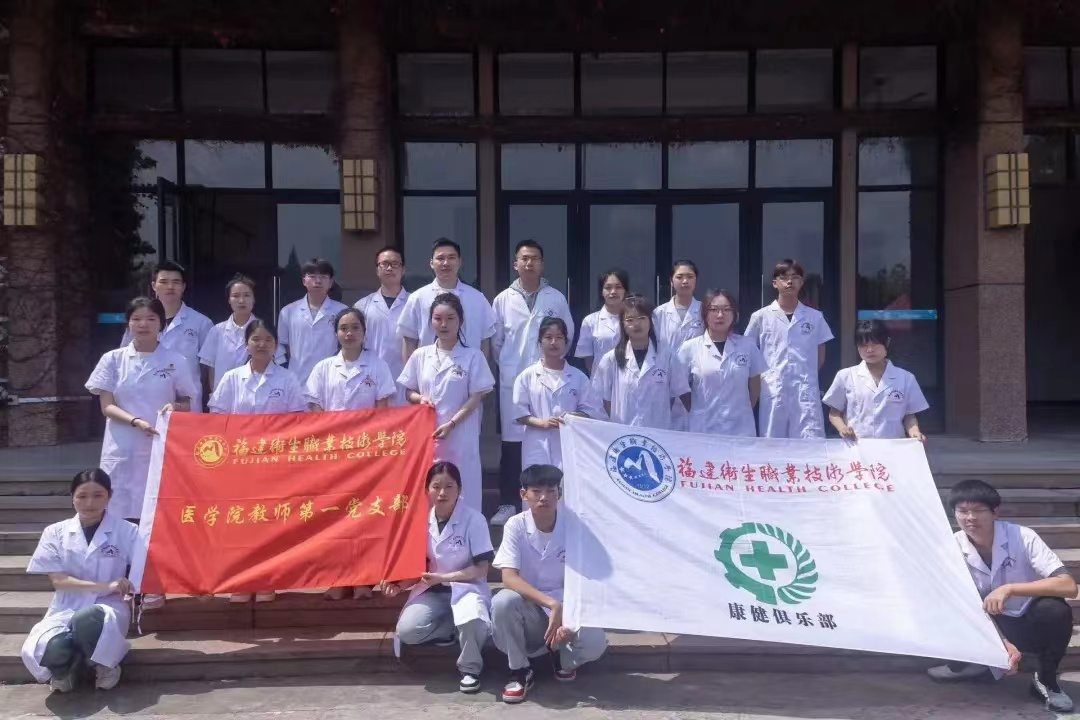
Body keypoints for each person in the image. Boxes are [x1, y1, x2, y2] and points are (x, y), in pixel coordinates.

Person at [928, 479, 1077, 714]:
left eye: (979, 510)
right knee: (941, 607)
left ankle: (1046, 680)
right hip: (981, 622)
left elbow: (1067, 585)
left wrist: (1010, 589)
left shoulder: (1022, 536)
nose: (970, 518)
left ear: (995, 512)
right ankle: (971, 664)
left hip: (1024, 619)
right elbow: (959, 603)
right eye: (962, 511)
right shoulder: (951, 548)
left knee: (1055, 610)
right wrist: (1002, 642)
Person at [208, 319, 308, 604]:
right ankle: (240, 580)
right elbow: (217, 418)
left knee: (269, 523)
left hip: (274, 463)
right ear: (246, 344)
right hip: (238, 463)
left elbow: (298, 420)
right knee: (239, 522)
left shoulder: (287, 379)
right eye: (256, 339)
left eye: (268, 339)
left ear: (276, 345)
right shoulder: (231, 378)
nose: (262, 344)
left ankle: (267, 579)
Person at [491, 464, 607, 704]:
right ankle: (520, 671)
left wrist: (570, 618)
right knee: (503, 601)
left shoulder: (574, 525)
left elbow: (589, 576)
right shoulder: (515, 525)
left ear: (559, 494)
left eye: (551, 490)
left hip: (569, 605)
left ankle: (562, 657)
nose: (543, 497)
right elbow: (509, 577)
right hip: (530, 608)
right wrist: (552, 604)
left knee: (595, 644)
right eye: (536, 491)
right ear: (524, 494)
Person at [22, 469, 141, 692]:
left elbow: (144, 568)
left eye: (98, 495)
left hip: (109, 604)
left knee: (89, 619)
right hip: (66, 605)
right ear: (72, 497)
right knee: (51, 645)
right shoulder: (54, 532)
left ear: (109, 496)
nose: (89, 503)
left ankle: (104, 665)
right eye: (82, 496)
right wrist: (106, 586)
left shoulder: (128, 531)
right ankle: (64, 671)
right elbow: (59, 580)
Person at [386, 462, 494, 694]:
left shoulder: (474, 520)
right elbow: (419, 566)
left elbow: (481, 569)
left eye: (449, 486)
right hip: (431, 591)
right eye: (436, 486)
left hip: (467, 587)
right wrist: (399, 585)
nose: (442, 492)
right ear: (427, 490)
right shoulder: (420, 521)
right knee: (408, 630)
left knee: (472, 618)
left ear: (459, 489)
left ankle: (470, 669)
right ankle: (451, 630)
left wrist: (444, 577)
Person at [87, 297, 196, 522]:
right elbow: (107, 406)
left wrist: (175, 406)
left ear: (161, 323)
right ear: (128, 323)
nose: (143, 324)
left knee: (156, 509)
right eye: (136, 319)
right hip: (122, 444)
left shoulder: (176, 361)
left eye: (151, 319)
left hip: (159, 443)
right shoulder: (113, 360)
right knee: (118, 508)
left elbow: (187, 402)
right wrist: (136, 421)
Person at [490, 239, 575, 527]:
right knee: (512, 444)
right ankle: (508, 503)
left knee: (547, 443)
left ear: (542, 264)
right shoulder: (503, 299)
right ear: (515, 264)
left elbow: (566, 334)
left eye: (535, 258)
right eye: (524, 258)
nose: (529, 263)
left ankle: (554, 501)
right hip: (514, 378)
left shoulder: (555, 298)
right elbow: (497, 342)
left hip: (548, 377)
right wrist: (510, 367)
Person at [399, 293, 495, 513]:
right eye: (438, 318)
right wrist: (420, 399)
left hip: (461, 434)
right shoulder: (420, 355)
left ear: (460, 321)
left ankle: (466, 531)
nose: (444, 324)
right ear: (431, 321)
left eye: (450, 318)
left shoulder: (473, 356)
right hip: (427, 434)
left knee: (464, 486)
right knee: (429, 486)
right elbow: (408, 391)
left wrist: (452, 424)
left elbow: (477, 397)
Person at [745, 259, 834, 439]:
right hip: (773, 389)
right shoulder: (760, 317)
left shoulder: (814, 317)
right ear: (775, 283)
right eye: (784, 277)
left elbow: (820, 354)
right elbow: (749, 352)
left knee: (809, 443)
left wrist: (804, 374)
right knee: (773, 443)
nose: (789, 282)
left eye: (795, 277)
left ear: (801, 282)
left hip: (805, 390)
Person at [512, 317, 603, 471]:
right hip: (537, 445)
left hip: (569, 445)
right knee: (538, 483)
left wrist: (573, 416)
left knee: (567, 484)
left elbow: (591, 411)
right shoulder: (526, 376)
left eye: (559, 337)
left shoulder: (579, 377)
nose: (554, 342)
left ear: (566, 342)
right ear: (540, 342)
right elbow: (520, 414)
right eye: (548, 337)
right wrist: (543, 423)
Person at [120, 261, 212, 411]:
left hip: (187, 406)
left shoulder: (201, 323)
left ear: (183, 287)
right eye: (164, 282)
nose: (170, 287)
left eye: (176, 282)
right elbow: (124, 359)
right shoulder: (139, 323)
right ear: (154, 285)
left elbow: (208, 369)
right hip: (144, 404)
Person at [673, 289, 766, 437]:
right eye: (714, 310)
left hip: (740, 428)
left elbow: (755, 387)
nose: (720, 315)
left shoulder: (747, 345)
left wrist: (740, 410)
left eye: (726, 310)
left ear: (734, 314)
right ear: (705, 313)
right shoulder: (690, 347)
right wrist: (699, 410)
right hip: (704, 428)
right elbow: (681, 387)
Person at [823, 319, 930, 441]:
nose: (869, 350)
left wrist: (915, 432)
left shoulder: (906, 378)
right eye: (863, 345)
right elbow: (834, 413)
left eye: (874, 344)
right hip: (857, 445)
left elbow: (909, 416)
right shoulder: (845, 376)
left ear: (887, 342)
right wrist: (842, 428)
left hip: (893, 445)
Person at [397, 238, 497, 362]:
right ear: (431, 263)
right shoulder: (418, 297)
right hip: (428, 369)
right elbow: (409, 339)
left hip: (469, 369)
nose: (446, 263)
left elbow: (485, 340)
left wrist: (479, 368)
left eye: (451, 257)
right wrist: (412, 371)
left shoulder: (477, 298)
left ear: (460, 262)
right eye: (440, 258)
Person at [592, 295, 677, 430]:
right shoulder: (610, 359)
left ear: (650, 321)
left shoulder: (667, 357)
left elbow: (674, 396)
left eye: (642, 318)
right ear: (623, 324)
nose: (636, 324)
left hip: (658, 432)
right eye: (630, 320)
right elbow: (602, 400)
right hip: (623, 432)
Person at [199, 274, 282, 394]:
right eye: (236, 296)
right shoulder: (216, 331)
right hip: (223, 397)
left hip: (258, 396)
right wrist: (214, 393)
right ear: (229, 300)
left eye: (247, 295)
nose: (241, 301)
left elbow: (277, 363)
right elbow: (210, 368)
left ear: (254, 299)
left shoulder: (266, 330)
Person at [277, 258, 349, 384]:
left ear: (331, 282)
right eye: (312, 276)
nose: (318, 281)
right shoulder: (288, 311)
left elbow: (347, 345)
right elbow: (280, 345)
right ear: (304, 281)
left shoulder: (342, 311)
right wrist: (283, 370)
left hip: (331, 379)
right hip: (296, 379)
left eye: (323, 277)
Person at [353, 247, 410, 406]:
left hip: (406, 379)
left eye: (395, 264)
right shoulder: (362, 306)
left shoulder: (415, 303)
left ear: (403, 269)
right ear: (377, 270)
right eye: (384, 264)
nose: (389, 268)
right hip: (370, 378)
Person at [653, 260, 704, 430]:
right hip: (665, 381)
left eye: (690, 277)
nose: (685, 281)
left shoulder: (704, 311)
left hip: (696, 380)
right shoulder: (658, 314)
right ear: (671, 281)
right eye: (679, 277)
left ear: (696, 280)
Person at [575, 268, 629, 373]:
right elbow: (588, 359)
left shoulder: (633, 319)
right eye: (608, 288)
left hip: (629, 377)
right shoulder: (590, 321)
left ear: (625, 291)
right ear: (601, 292)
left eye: (618, 287)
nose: (613, 292)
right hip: (600, 378)